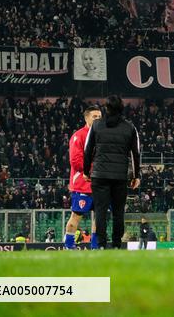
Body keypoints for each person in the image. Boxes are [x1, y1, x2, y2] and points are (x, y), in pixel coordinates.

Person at [83, 95, 141, 250]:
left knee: (100, 211)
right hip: (119, 176)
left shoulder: (96, 126)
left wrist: (86, 171)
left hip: (99, 175)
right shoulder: (130, 127)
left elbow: (88, 150)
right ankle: (116, 244)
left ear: (106, 108)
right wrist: (136, 176)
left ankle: (101, 244)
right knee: (118, 212)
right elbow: (135, 154)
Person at [66, 104, 102, 250]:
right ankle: (69, 245)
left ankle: (95, 247)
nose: (98, 119)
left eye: (100, 117)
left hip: (100, 184)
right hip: (83, 184)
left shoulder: (104, 135)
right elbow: (75, 160)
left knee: (99, 218)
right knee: (76, 216)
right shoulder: (79, 136)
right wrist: (96, 170)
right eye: (95, 116)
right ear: (86, 118)